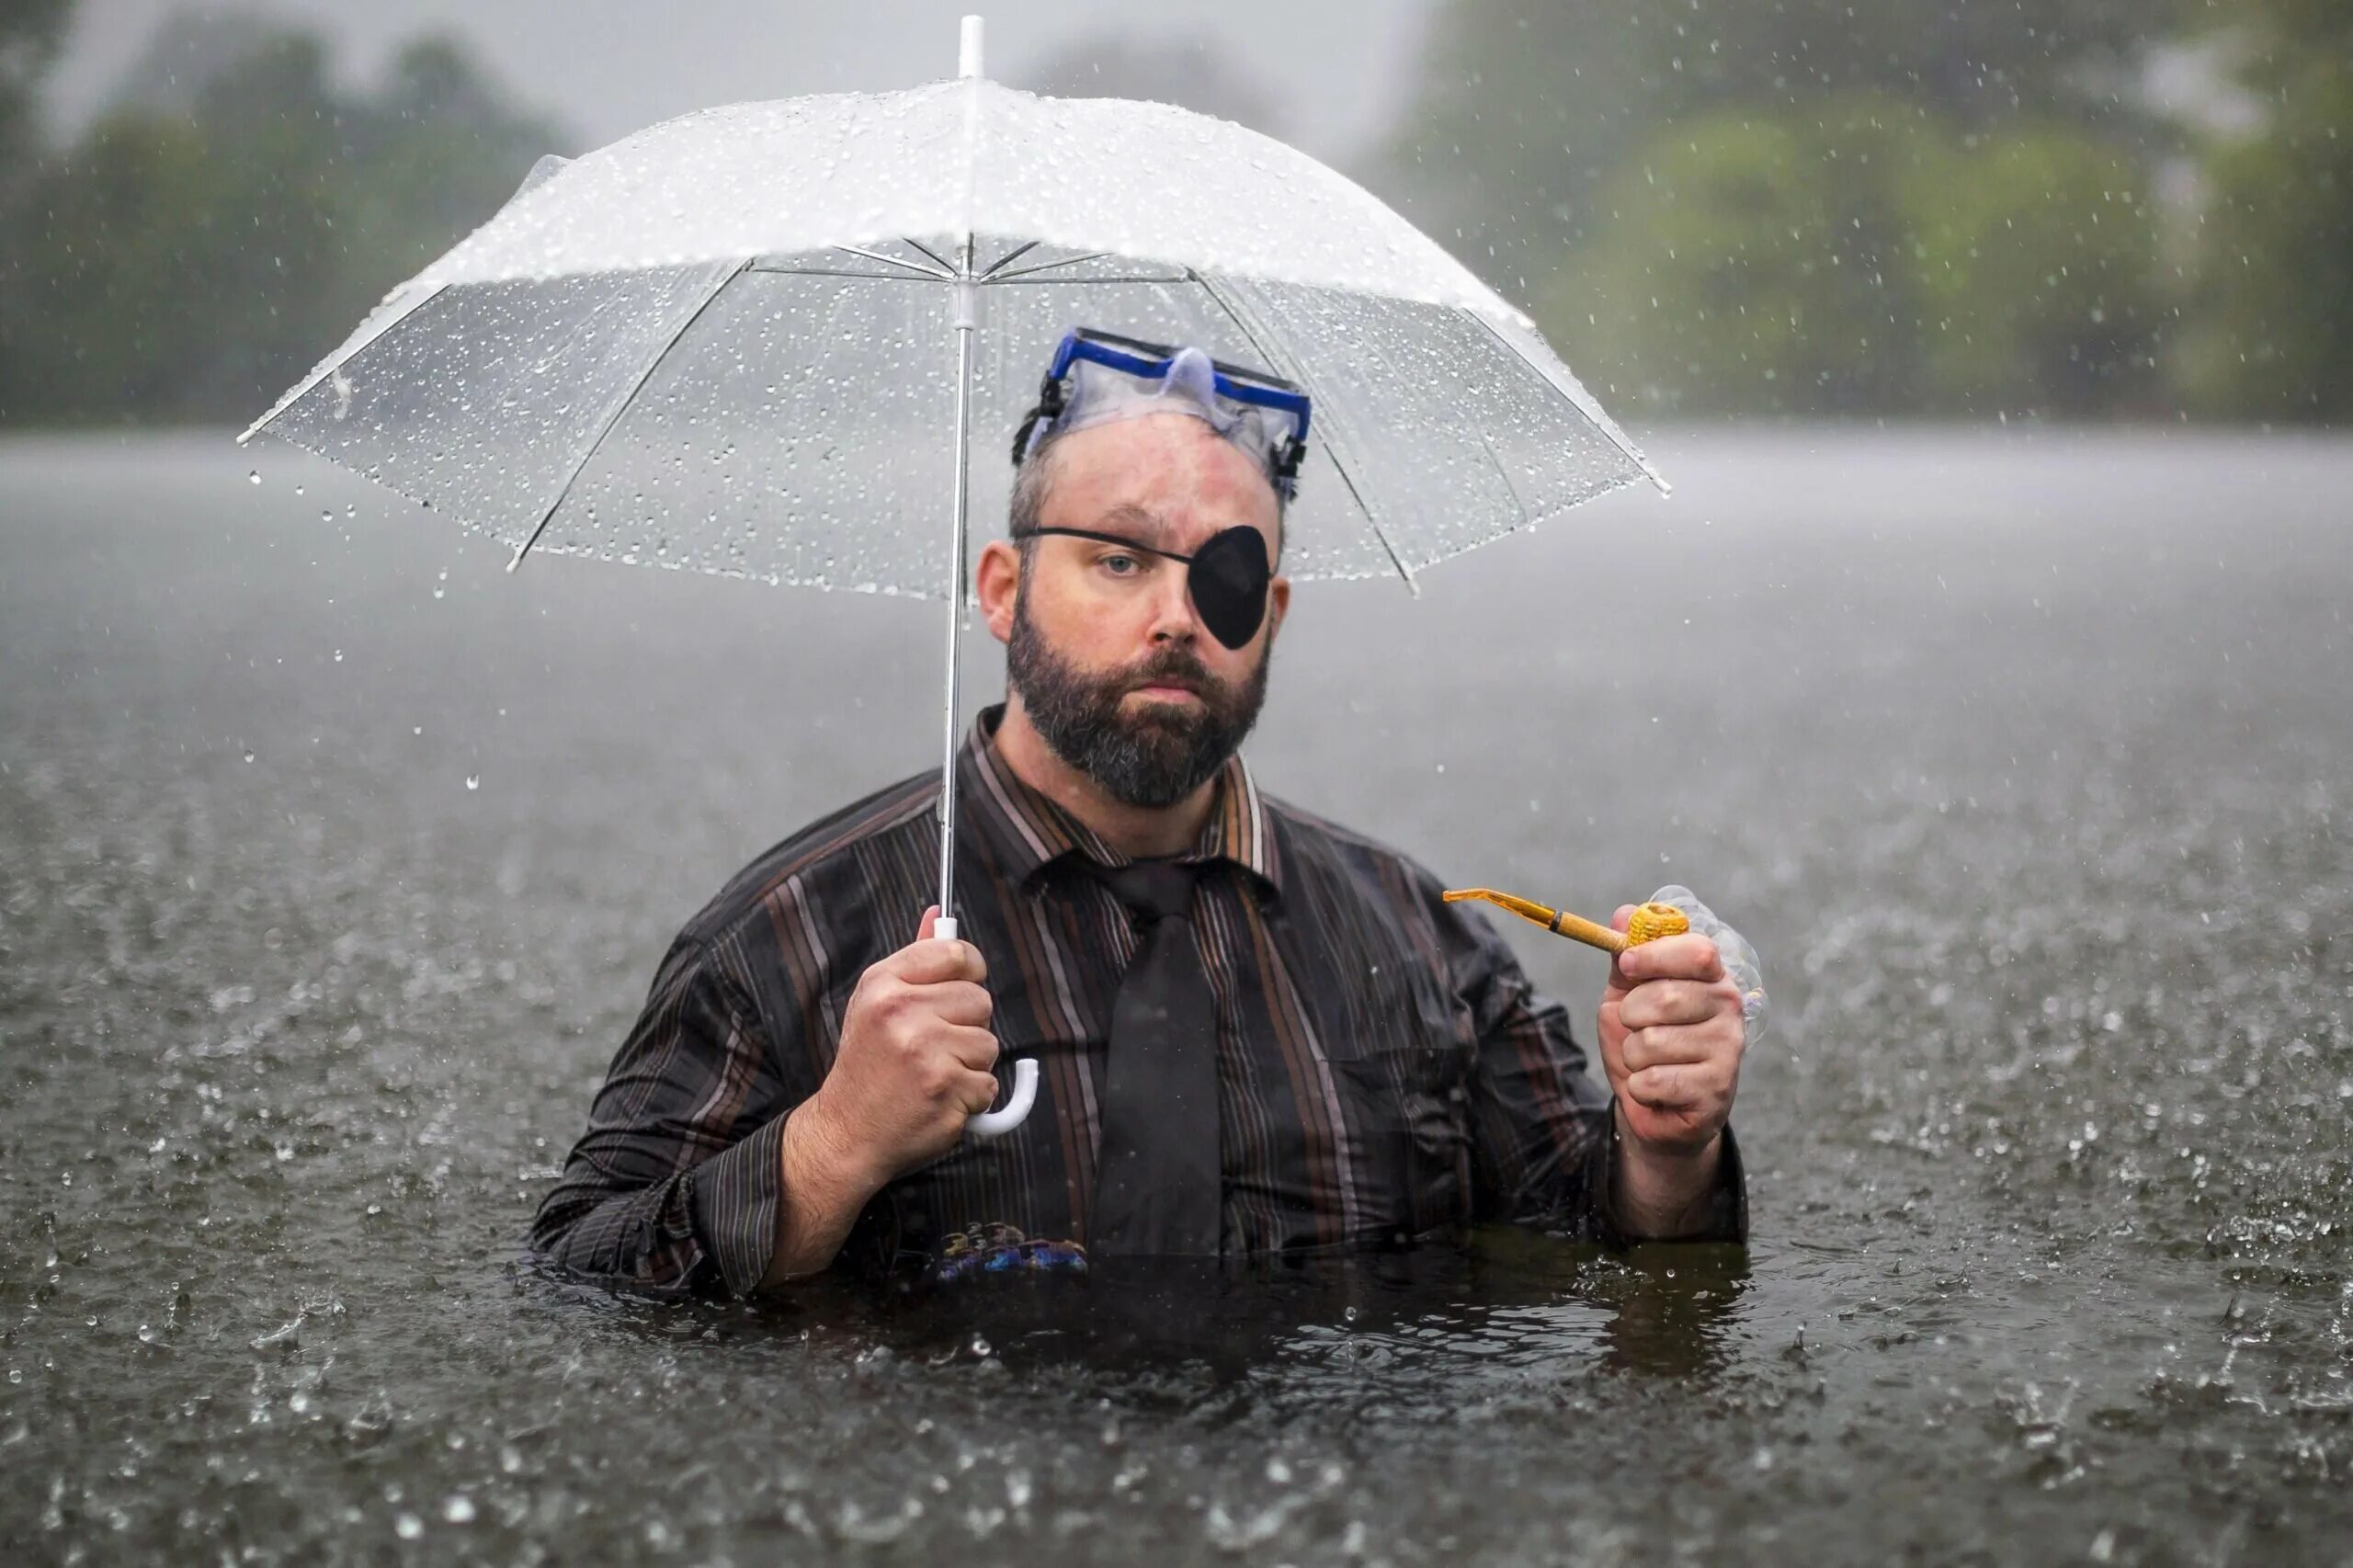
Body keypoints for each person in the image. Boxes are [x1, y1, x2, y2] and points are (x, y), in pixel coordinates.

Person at [531, 328, 1753, 1296]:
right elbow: (581, 1273)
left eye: (1220, 575)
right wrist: (831, 1146)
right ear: (1003, 590)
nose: (1175, 615)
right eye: (1118, 560)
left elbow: (1607, 1242)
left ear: (1270, 614)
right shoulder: (787, 937)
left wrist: (1665, 1143)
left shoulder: (1417, 938)